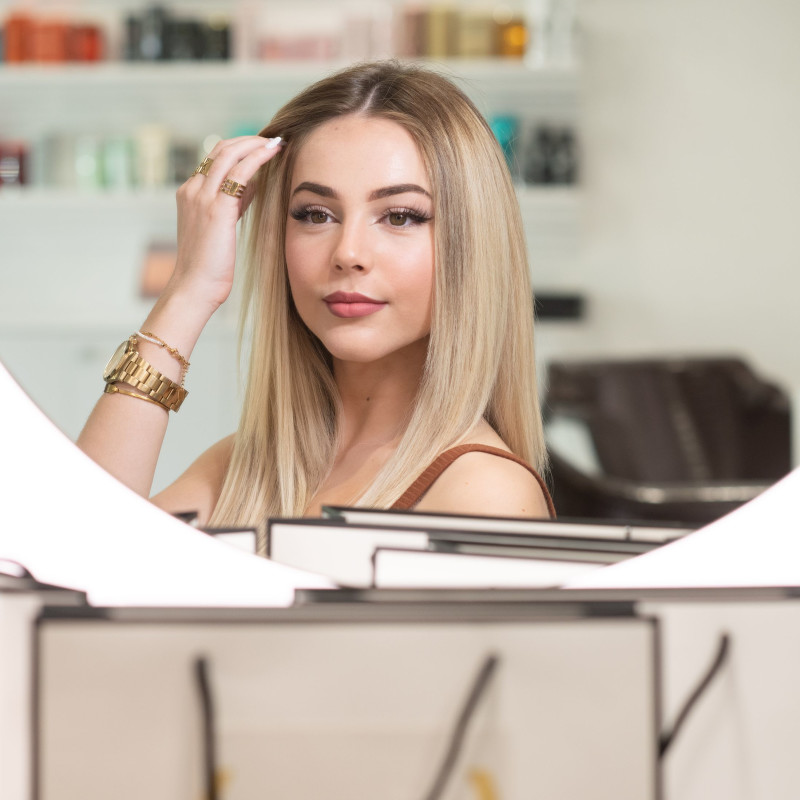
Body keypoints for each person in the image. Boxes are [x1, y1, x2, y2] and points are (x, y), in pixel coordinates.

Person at [77, 60, 554, 547]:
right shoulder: (242, 470)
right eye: (316, 214)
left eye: (401, 216)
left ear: (472, 244)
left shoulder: (484, 494)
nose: (348, 253)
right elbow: (71, 557)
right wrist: (189, 290)